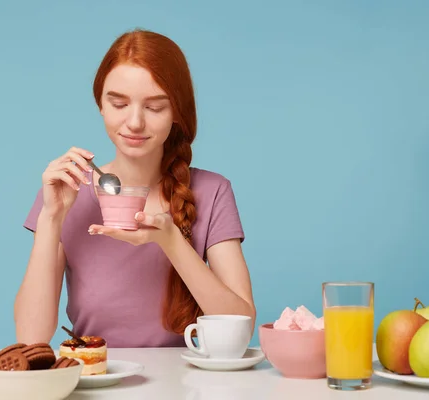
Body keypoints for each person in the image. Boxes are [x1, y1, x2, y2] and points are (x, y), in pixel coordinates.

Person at [14, 29, 256, 348]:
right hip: (94, 377)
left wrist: (172, 242)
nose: (135, 122)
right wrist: (50, 219)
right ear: (100, 104)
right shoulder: (67, 192)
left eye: (155, 107)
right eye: (119, 104)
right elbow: (31, 338)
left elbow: (242, 328)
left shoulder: (211, 191)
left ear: (176, 114)